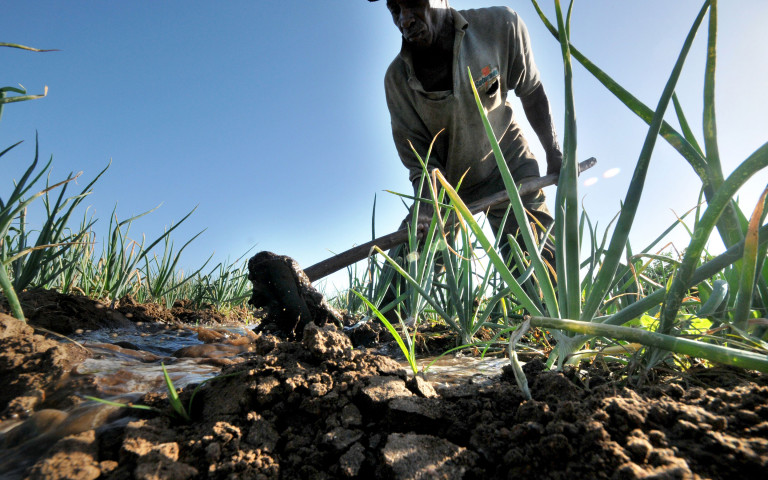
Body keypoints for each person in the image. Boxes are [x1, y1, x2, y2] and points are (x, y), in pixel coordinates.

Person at [371, 0, 562, 264]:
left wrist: (554, 152)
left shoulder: (500, 27)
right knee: (409, 263)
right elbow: (420, 162)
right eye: (394, 9)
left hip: (506, 163)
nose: (404, 20)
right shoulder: (397, 81)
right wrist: (427, 203)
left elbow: (531, 91)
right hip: (445, 184)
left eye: (414, 2)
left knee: (539, 262)